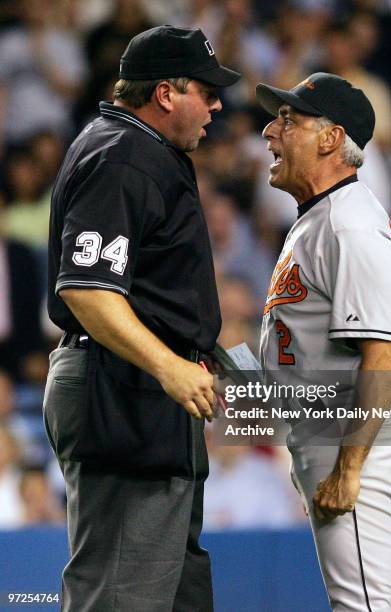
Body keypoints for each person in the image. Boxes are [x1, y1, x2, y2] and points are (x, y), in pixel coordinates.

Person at [43, 25, 240, 611]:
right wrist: (168, 366)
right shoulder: (123, 156)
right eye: (205, 91)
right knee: (120, 598)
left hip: (144, 398)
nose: (217, 104)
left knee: (174, 596)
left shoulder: (136, 148)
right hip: (123, 394)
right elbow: (87, 290)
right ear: (165, 93)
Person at [256, 72, 391, 610]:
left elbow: (383, 355)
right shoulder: (323, 218)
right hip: (333, 428)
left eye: (288, 120)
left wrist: (347, 468)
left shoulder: (350, 226)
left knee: (369, 607)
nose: (269, 131)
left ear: (331, 139)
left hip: (358, 433)